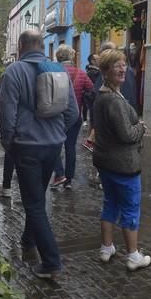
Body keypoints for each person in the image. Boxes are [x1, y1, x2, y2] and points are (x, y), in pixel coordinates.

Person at [0, 29, 79, 279]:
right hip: (53, 147)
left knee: (34, 205)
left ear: (21, 46)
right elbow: (73, 112)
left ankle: (51, 263)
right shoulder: (59, 70)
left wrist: (9, 143)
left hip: (27, 147)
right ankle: (28, 239)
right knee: (38, 198)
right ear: (42, 46)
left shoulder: (13, 72)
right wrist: (57, 132)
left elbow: (7, 115)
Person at [92, 49, 150, 271]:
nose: (122, 68)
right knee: (130, 209)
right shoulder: (113, 101)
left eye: (124, 64)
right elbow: (126, 135)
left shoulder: (103, 95)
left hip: (106, 162)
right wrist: (140, 128)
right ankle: (134, 256)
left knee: (111, 204)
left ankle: (106, 248)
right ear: (106, 71)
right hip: (123, 165)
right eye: (117, 65)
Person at [50, 44, 93, 190]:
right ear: (72, 57)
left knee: (54, 146)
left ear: (58, 57)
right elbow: (91, 90)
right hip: (76, 117)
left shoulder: (53, 72)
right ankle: (68, 180)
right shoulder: (81, 73)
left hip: (57, 117)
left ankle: (59, 174)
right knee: (70, 148)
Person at [84, 42, 137, 152]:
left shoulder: (113, 78)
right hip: (116, 146)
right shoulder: (108, 89)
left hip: (116, 142)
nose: (122, 69)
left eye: (123, 65)